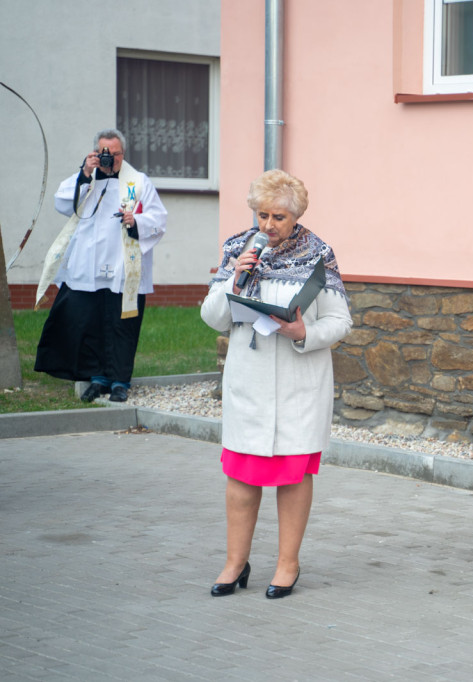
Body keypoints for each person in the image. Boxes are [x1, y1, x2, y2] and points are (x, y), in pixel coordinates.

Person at [200, 169, 351, 599]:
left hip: (298, 383)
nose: (268, 225)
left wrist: (305, 333)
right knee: (242, 476)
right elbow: (213, 317)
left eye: (279, 217)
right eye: (262, 215)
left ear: (296, 216)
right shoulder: (237, 248)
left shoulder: (319, 254)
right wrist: (234, 278)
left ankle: (288, 563)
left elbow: (341, 321)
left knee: (292, 474)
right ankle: (235, 562)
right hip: (249, 382)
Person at [34, 129, 167, 402]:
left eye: (115, 154)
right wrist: (85, 172)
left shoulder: (139, 182)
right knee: (91, 324)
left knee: (122, 325)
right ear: (96, 152)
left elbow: (159, 219)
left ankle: (120, 382)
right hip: (89, 268)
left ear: (123, 154)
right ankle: (97, 378)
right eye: (104, 153)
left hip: (122, 269)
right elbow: (62, 203)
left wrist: (136, 221)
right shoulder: (85, 179)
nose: (110, 159)